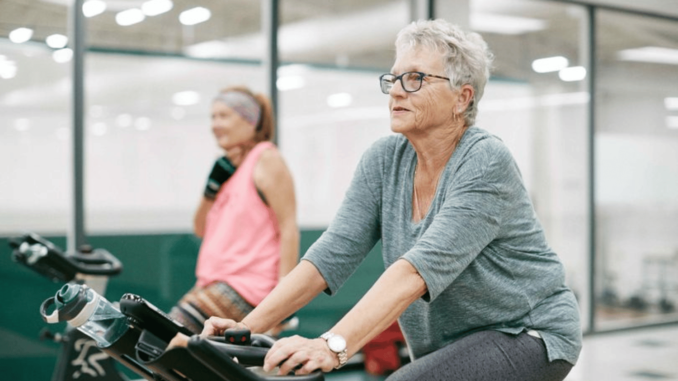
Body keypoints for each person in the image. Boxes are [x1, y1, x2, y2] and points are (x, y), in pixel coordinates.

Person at [173, 19, 582, 381]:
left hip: (528, 333)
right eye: (394, 78)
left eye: (416, 79)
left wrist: (333, 346)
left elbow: (416, 270)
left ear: (462, 98)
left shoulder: (484, 161)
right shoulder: (385, 159)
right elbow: (332, 253)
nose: (396, 92)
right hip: (450, 339)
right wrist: (247, 327)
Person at [168, 86, 299, 335]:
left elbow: (288, 229)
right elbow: (199, 228)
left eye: (224, 116)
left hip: (248, 286)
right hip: (214, 283)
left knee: (171, 339)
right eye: (213, 117)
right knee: (169, 347)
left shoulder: (266, 158)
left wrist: (284, 298)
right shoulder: (228, 169)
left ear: (250, 121)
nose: (215, 124)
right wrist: (211, 187)